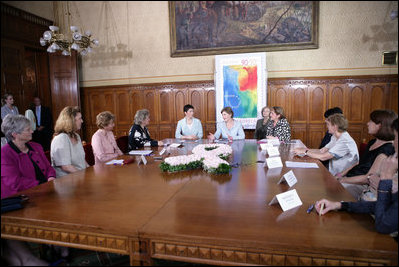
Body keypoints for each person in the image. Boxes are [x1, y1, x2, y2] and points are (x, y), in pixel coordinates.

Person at [315, 118, 398, 237]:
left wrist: (385, 181)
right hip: (371, 207)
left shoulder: (387, 150)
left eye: (396, 138)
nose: (394, 142)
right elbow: (382, 204)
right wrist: (340, 205)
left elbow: (384, 225)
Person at [1, 114, 55, 266]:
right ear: (15, 134)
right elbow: (15, 183)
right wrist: (43, 186)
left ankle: (57, 248)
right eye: (27, 129)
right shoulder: (4, 154)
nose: (32, 131)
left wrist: (50, 178)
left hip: (44, 194)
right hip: (19, 201)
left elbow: (49, 168)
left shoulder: (36, 147)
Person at [337, 110, 397, 199]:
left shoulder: (387, 148)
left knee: (334, 190)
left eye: (371, 121)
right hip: (351, 178)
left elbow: (368, 178)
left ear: (379, 125)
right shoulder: (372, 142)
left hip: (361, 184)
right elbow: (359, 164)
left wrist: (343, 180)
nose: (367, 123)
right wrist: (340, 175)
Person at [294, 113, 359, 176]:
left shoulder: (344, 141)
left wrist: (305, 152)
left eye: (328, 124)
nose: (327, 127)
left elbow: (323, 157)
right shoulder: (335, 136)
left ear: (335, 126)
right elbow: (322, 151)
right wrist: (303, 150)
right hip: (333, 170)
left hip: (343, 174)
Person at [50, 106, 88, 178]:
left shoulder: (76, 136)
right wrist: (85, 176)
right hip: (67, 181)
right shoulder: (61, 138)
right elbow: (66, 166)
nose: (82, 121)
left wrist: (90, 170)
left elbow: (82, 160)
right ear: (71, 121)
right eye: (80, 118)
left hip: (79, 176)